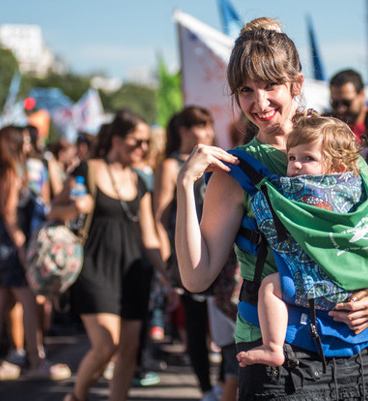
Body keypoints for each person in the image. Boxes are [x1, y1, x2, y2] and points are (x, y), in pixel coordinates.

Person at [175, 17, 368, 400]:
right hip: (283, 366)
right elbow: (197, 278)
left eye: (271, 86)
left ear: (296, 85)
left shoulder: (339, 151)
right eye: (246, 90)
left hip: (363, 355)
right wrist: (186, 185)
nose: (259, 102)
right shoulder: (234, 172)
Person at [235, 111, 368, 371]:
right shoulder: (360, 189)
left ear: (336, 167)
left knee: (269, 287)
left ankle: (273, 347)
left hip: (316, 286)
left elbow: (267, 208)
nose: (296, 165)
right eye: (291, 157)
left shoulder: (293, 191)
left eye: (307, 158)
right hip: (361, 286)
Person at [50, 110, 173, 401]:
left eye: (146, 143)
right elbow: (53, 211)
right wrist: (76, 209)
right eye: (137, 141)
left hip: (132, 271)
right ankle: (77, 396)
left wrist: (167, 276)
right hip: (94, 268)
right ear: (117, 140)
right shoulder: (87, 170)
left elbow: (148, 234)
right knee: (107, 344)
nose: (143, 148)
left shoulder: (140, 181)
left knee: (129, 350)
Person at [0, 126, 68, 388]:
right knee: (28, 302)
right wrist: (22, 248)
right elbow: (10, 213)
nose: (27, 145)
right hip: (9, 245)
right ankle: (36, 360)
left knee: (0, 307)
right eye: (22, 141)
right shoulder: (11, 171)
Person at [153, 106, 217, 401]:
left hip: (217, 249)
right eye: (198, 126)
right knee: (195, 321)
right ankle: (205, 387)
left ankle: (224, 382)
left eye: (208, 125)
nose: (205, 132)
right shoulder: (171, 165)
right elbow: (160, 216)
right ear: (183, 131)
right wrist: (168, 259)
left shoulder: (215, 157)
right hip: (185, 251)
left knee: (221, 321)